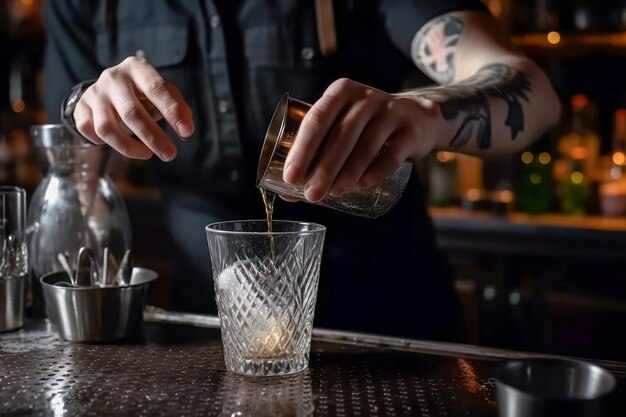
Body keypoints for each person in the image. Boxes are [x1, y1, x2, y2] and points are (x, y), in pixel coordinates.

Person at [43, 0, 560, 341]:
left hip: (391, 332)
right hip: (211, 338)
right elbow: (73, 179)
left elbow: (530, 91)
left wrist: (428, 112)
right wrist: (80, 106)